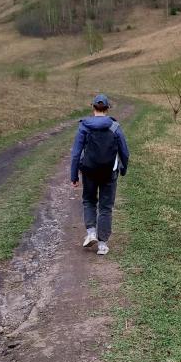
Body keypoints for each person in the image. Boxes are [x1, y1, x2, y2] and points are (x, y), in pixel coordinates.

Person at [70, 94, 129, 255]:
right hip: (109, 172)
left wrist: (74, 176)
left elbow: (75, 154)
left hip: (89, 171)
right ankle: (102, 245)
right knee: (105, 207)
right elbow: (124, 152)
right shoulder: (114, 126)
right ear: (107, 108)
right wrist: (123, 169)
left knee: (89, 201)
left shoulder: (84, 126)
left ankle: (91, 233)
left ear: (93, 107)